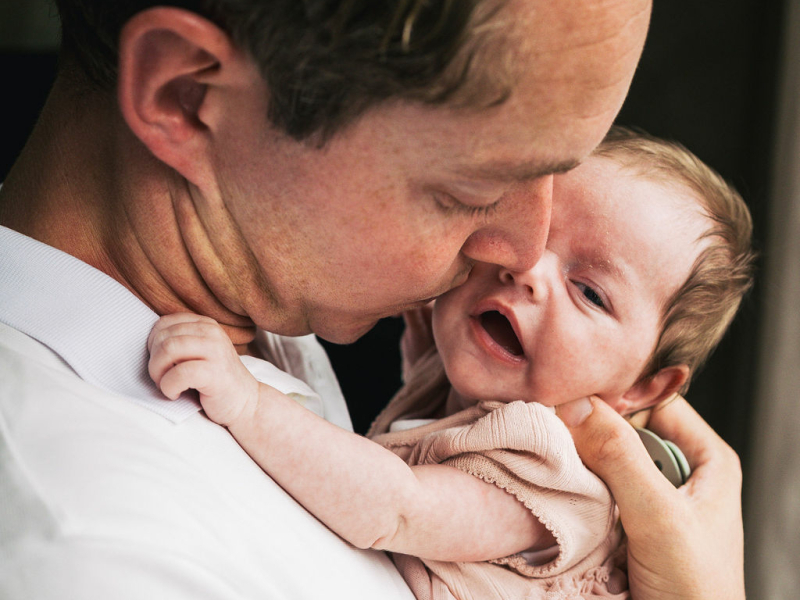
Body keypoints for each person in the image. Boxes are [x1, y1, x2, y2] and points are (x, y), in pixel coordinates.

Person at [0, 0, 745, 598]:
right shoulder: (98, 555)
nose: (521, 253)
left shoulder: (263, 286)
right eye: (471, 190)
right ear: (187, 96)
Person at [147, 128, 755, 599]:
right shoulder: (478, 385)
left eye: (590, 292)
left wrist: (250, 404)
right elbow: (432, 407)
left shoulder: (558, 476)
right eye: (538, 237)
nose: (527, 270)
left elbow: (396, 507)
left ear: (646, 386)